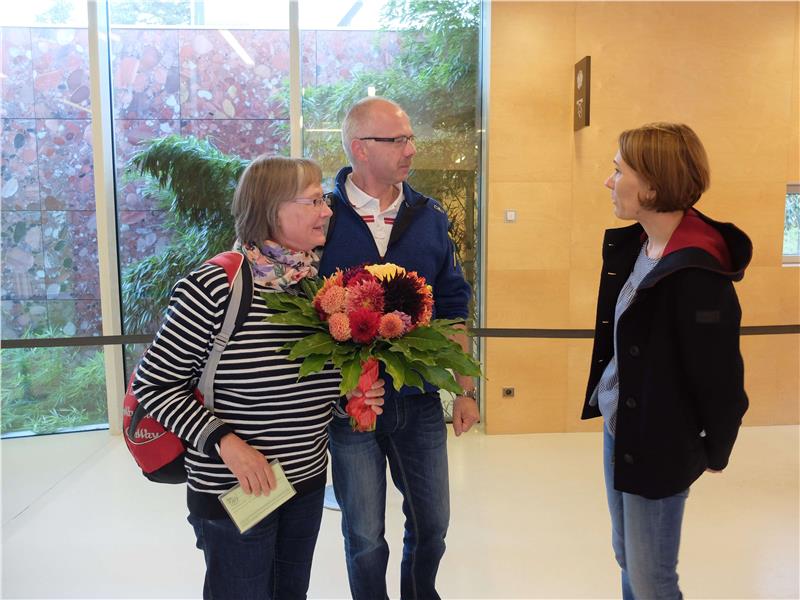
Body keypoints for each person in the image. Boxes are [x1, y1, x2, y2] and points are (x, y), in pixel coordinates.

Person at [132, 155, 385, 600]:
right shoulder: (217, 285)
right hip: (235, 488)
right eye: (314, 201)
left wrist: (352, 396)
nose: (327, 211)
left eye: (324, 200)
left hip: (305, 482)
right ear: (272, 209)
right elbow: (155, 384)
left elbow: (307, 384)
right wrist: (227, 443)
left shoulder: (312, 287)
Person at [319, 96, 480, 600]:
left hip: (419, 399)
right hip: (352, 406)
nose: (411, 149)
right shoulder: (323, 216)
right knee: (364, 535)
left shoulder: (428, 215)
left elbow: (452, 304)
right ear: (361, 148)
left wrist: (466, 389)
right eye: (398, 140)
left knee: (433, 525)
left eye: (411, 138)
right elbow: (302, 311)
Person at [582, 123, 751, 599]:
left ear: (653, 187)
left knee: (652, 579)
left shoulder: (696, 273)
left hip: (659, 440)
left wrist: (715, 448)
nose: (609, 181)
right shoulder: (639, 247)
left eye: (619, 171)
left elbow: (720, 376)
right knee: (627, 557)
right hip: (621, 425)